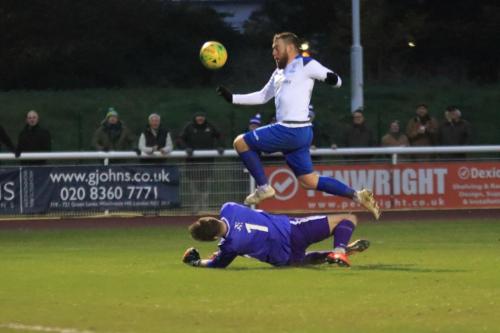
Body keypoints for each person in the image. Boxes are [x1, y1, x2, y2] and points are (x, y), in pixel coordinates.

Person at [216, 32, 380, 219]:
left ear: (290, 48)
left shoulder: (305, 63)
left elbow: (336, 80)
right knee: (308, 181)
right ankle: (357, 195)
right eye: (273, 50)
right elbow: (262, 96)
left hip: (290, 129)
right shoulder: (278, 72)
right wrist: (232, 98)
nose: (274, 53)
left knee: (240, 142)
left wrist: (332, 79)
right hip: (300, 133)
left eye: (276, 48)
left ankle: (263, 187)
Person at [182, 202, 369, 268]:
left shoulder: (230, 247)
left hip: (283, 256)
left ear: (214, 238)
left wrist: (195, 261)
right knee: (348, 218)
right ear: (212, 218)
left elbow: (217, 264)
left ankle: (331, 254)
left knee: (303, 262)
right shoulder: (228, 208)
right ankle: (339, 250)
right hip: (294, 230)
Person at [178, 110, 224, 213]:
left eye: (202, 116)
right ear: (195, 118)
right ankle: (195, 209)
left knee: (206, 186)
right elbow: (180, 139)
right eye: (198, 116)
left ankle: (204, 208)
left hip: (207, 162)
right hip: (192, 163)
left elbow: (220, 136)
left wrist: (220, 146)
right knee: (194, 187)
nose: (200, 118)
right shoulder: (189, 127)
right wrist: (186, 148)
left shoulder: (210, 126)